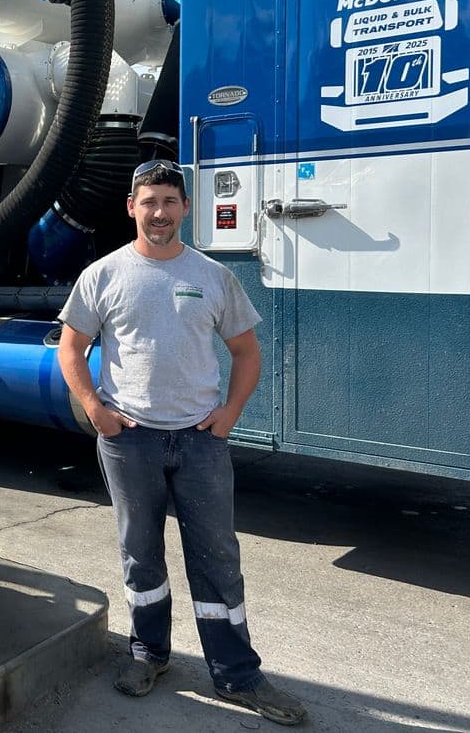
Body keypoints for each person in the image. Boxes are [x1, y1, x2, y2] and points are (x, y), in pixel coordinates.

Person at [57, 159, 307, 726]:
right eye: (149, 202)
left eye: (170, 201)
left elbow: (246, 352)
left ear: (186, 208)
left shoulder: (214, 277)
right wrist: (96, 409)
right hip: (131, 441)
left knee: (218, 557)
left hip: (200, 442)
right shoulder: (103, 275)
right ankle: (148, 654)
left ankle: (236, 672)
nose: (160, 213)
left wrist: (230, 414)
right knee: (140, 553)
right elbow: (71, 347)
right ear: (131, 207)